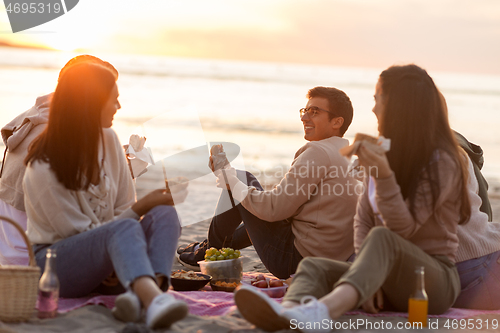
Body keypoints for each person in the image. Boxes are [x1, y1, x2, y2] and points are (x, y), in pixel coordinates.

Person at [234, 64, 472, 332]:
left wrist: (383, 177)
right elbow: (363, 220)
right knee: (313, 266)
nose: (373, 109)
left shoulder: (443, 161)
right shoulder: (382, 153)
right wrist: (367, 278)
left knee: (382, 238)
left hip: (429, 281)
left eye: (378, 99)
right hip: (384, 277)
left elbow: (400, 230)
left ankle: (323, 311)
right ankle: (289, 313)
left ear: (400, 105)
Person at [23, 63, 189, 329]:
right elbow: (77, 234)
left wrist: (140, 214)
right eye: (113, 100)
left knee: (164, 213)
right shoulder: (42, 167)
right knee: (128, 222)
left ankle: (143, 296)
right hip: (58, 265)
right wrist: (140, 208)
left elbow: (123, 206)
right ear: (90, 104)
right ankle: (154, 301)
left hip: (111, 263)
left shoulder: (110, 140)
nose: (118, 107)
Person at [178, 87, 360, 279]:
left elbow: (274, 210)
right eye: (304, 111)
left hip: (295, 261)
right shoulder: (347, 157)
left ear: (337, 122)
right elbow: (287, 209)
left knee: (242, 179)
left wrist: (230, 179)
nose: (305, 117)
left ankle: (209, 253)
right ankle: (211, 248)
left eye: (314, 112)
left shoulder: (319, 152)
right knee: (246, 186)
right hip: (324, 262)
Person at [0, 55, 117, 266]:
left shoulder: (36, 116)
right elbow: (81, 216)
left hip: (7, 246)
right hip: (29, 259)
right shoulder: (54, 137)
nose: (115, 104)